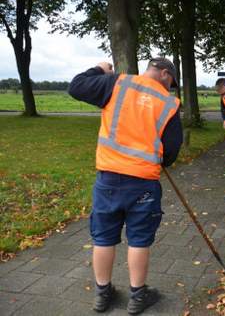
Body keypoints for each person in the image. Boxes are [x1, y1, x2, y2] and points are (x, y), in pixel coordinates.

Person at [68, 58, 182, 314]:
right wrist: (160, 159)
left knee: (103, 238)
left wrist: (99, 69)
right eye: (171, 82)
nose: (170, 88)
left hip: (108, 178)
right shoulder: (169, 103)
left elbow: (76, 86)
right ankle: (137, 297)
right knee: (139, 240)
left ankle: (102, 294)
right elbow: (172, 150)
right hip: (143, 182)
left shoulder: (116, 83)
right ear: (164, 74)